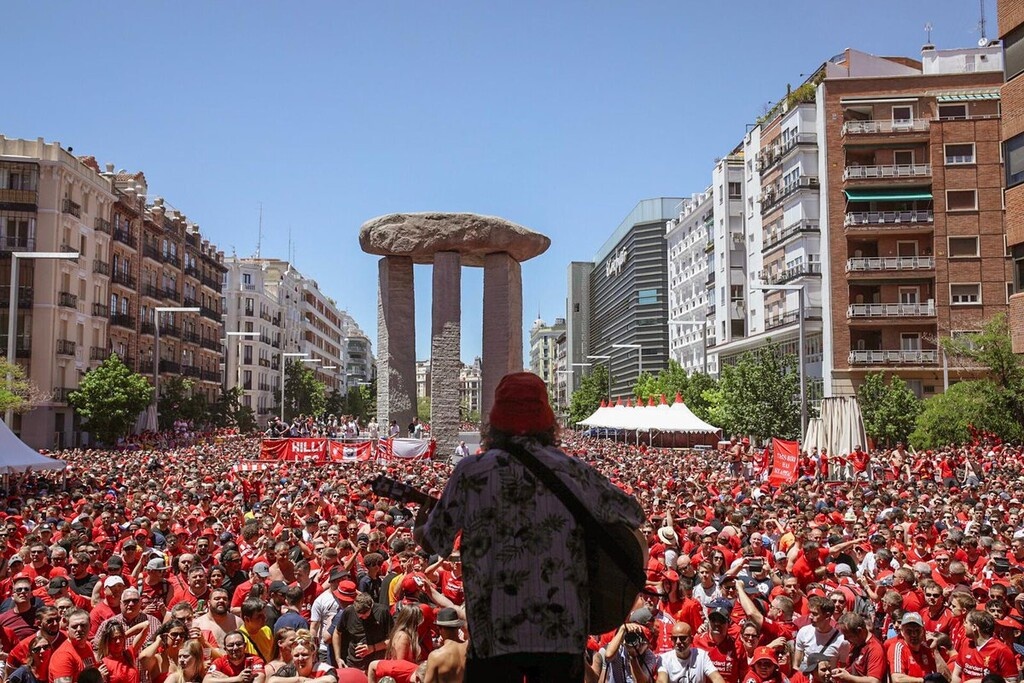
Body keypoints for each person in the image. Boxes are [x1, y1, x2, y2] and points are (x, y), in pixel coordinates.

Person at [414, 372, 645, 683]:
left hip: (493, 631)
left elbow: (434, 542)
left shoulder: (472, 472)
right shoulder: (571, 469)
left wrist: (420, 523)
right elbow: (632, 512)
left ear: (493, 423)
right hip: (561, 632)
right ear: (547, 422)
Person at [951, 610, 1018, 683]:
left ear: (974, 627)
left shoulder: (1001, 650)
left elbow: (1011, 681)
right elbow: (956, 673)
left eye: (966, 622)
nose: (964, 625)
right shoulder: (966, 643)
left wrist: (977, 682)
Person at [657, 622, 727, 683]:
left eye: (682, 638)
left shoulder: (701, 656)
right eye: (675, 638)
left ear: (691, 639)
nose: (678, 642)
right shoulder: (664, 659)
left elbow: (716, 678)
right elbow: (661, 680)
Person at [48, 609, 98, 683]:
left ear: (90, 627)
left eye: (83, 625)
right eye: (74, 627)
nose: (79, 629)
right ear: (67, 630)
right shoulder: (62, 655)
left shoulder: (88, 645)